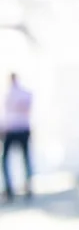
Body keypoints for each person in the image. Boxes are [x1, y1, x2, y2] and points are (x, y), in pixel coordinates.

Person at [2, 73, 33, 203]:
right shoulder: (26, 93)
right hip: (24, 128)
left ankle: (9, 188)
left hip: (11, 129)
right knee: (25, 158)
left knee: (5, 160)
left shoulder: (7, 94)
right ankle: (27, 185)